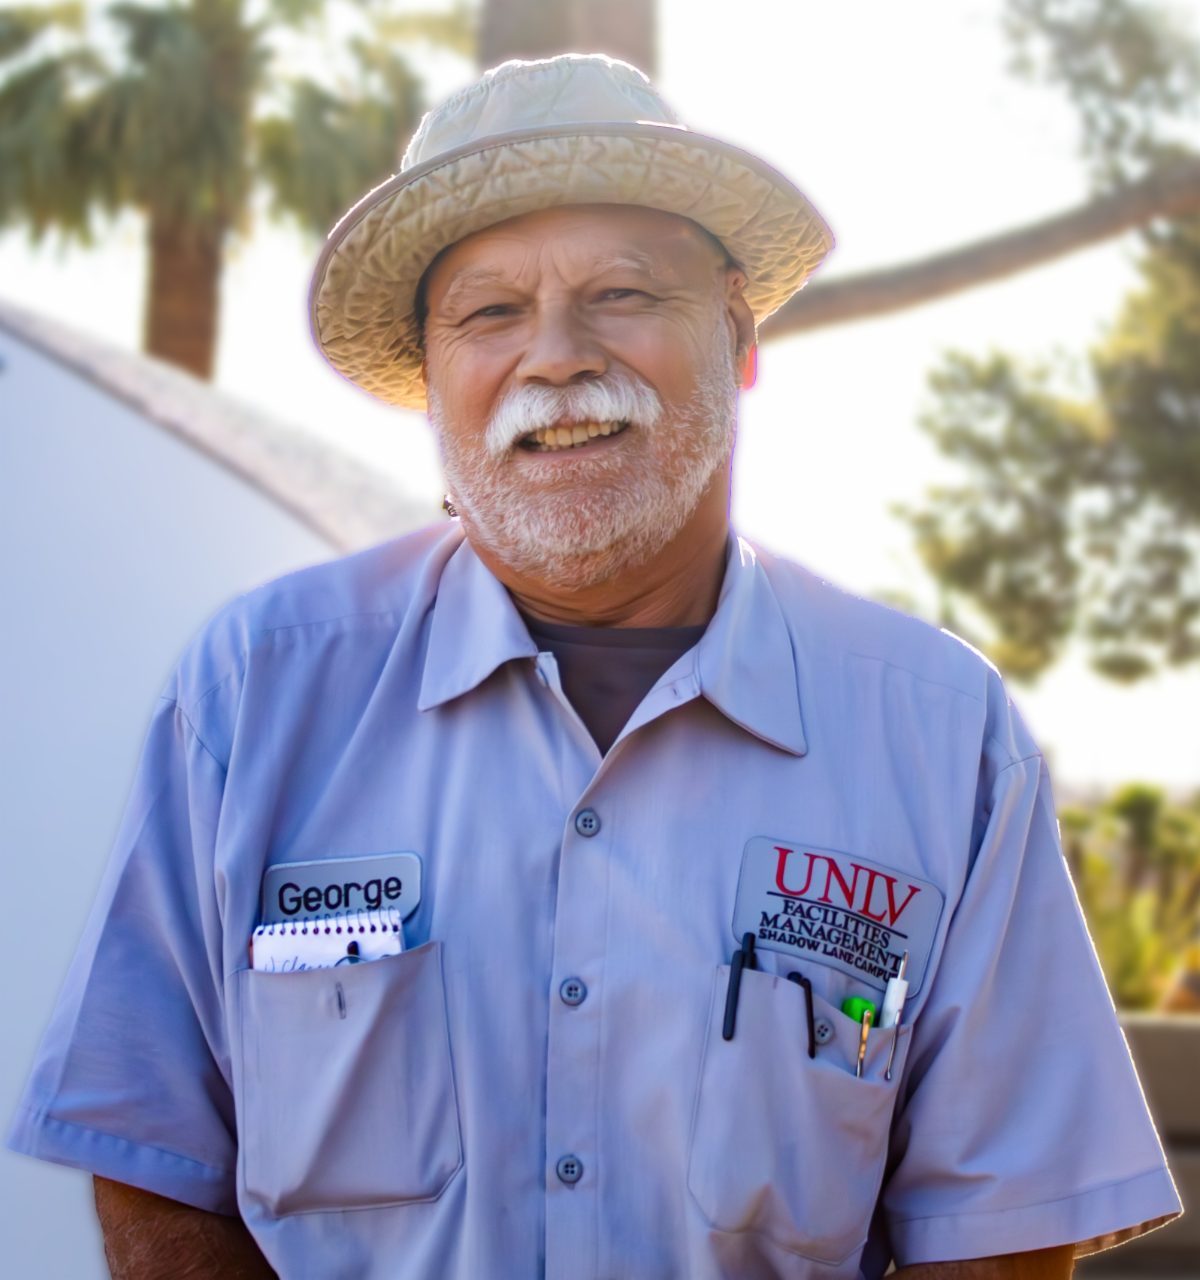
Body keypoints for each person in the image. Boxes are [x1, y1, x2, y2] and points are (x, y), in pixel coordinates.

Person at [8, 54, 1182, 1280]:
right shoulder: (256, 691)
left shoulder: (939, 732)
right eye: (491, 312)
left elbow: (996, 1240)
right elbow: (156, 1175)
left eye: (621, 292)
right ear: (432, 376)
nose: (556, 356)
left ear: (737, 334)